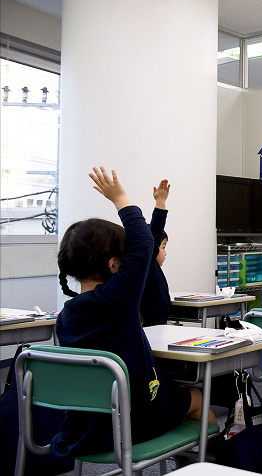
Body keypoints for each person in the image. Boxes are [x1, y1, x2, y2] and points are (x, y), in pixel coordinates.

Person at [53, 167, 215, 457]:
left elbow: (143, 246)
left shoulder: (66, 316)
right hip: (130, 421)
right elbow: (143, 244)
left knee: (168, 392)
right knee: (197, 398)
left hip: (84, 429)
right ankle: (208, 464)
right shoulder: (117, 299)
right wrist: (120, 198)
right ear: (115, 265)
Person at [140, 179, 171, 326]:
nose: (165, 253)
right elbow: (155, 232)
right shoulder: (145, 265)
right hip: (149, 324)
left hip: (160, 322)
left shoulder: (154, 269)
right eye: (162, 247)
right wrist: (160, 203)